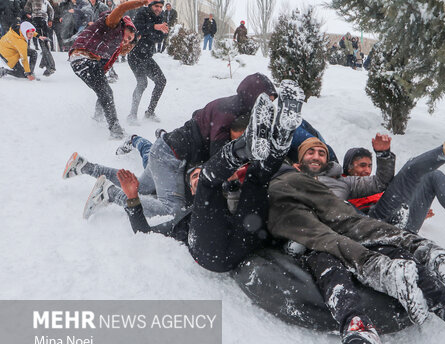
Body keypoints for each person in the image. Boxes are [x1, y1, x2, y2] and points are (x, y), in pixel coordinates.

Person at [266, 142, 445, 344]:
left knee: (396, 252)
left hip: (351, 225)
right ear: (298, 162)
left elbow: (376, 184)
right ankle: (356, 325)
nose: (317, 156)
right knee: (329, 263)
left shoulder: (340, 182)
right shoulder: (288, 182)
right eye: (311, 152)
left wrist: (383, 157)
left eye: (321, 152)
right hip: (319, 240)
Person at [114, 82, 306, 273]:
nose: (197, 179)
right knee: (210, 181)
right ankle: (244, 146)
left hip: (246, 235)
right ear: (189, 189)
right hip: (213, 255)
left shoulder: (217, 195)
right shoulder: (184, 217)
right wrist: (132, 198)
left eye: (197, 175)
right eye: (194, 178)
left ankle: (283, 135)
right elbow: (143, 232)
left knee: (257, 179)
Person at [310, 102, 445, 246]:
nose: (366, 170)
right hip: (372, 223)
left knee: (433, 176)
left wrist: (415, 205)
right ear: (348, 168)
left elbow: (391, 190)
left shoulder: (370, 185)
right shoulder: (345, 185)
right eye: (361, 165)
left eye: (369, 166)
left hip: (402, 224)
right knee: (411, 169)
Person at [68, 0, 145, 139]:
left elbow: (107, 62)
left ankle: (98, 118)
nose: (126, 40)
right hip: (83, 57)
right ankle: (115, 131)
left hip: (87, 61)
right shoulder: (113, 23)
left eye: (128, 41)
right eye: (127, 36)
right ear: (126, 26)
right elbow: (122, 8)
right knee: (106, 92)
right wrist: (143, 2)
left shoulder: (114, 43)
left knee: (104, 91)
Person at [127, 0, 167, 123]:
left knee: (161, 81)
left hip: (147, 56)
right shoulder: (142, 13)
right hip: (135, 56)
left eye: (161, 6)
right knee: (142, 83)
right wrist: (154, 28)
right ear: (150, 5)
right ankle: (132, 115)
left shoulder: (160, 17)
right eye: (156, 6)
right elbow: (137, 29)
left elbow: (160, 37)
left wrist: (154, 31)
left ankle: (150, 112)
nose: (159, 9)